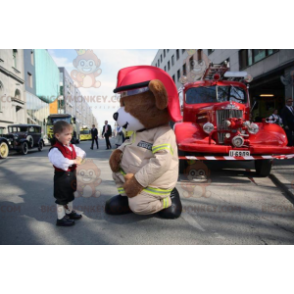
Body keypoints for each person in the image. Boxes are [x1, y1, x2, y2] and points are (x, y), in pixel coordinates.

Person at [48, 121, 86, 227]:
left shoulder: (71, 146)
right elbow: (60, 162)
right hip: (62, 177)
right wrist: (73, 161)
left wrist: (78, 157)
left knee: (70, 195)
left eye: (70, 134)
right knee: (61, 198)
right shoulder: (55, 150)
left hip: (71, 175)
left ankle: (69, 212)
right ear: (57, 135)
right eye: (66, 134)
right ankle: (60, 218)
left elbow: (81, 152)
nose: (70, 137)